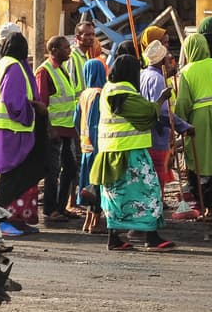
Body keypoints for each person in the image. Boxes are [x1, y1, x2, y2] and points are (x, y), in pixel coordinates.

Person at [91, 54, 174, 251]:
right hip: (131, 154)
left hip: (110, 153)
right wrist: (162, 98)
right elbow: (147, 113)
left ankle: (114, 238)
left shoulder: (108, 90)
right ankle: (151, 237)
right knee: (148, 193)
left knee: (116, 196)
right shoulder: (124, 92)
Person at [0, 31, 46, 237]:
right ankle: (4, 221)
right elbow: (13, 102)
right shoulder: (13, 67)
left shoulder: (2, 64)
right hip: (15, 130)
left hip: (6, 130)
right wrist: (34, 108)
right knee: (12, 175)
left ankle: (17, 219)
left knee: (17, 175)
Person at [175, 33, 212, 216]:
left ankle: (204, 204)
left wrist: (179, 123)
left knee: (198, 159)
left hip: (199, 119)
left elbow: (183, 101)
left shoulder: (187, 71)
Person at [140, 39, 191, 198]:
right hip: (157, 135)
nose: (172, 63)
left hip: (148, 136)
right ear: (162, 61)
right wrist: (183, 126)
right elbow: (162, 112)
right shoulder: (157, 79)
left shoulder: (143, 75)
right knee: (157, 177)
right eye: (169, 60)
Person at [36, 35, 79, 222]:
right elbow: (42, 103)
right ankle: (50, 208)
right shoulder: (44, 71)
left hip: (67, 127)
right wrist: (49, 128)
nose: (69, 50)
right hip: (54, 129)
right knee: (52, 170)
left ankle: (61, 206)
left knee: (70, 168)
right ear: (54, 50)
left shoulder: (61, 69)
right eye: (65, 47)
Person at [75, 58, 108, 233]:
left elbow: (75, 120)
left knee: (88, 185)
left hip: (85, 146)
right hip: (96, 147)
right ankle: (95, 222)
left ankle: (87, 222)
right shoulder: (98, 94)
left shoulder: (84, 94)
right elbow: (96, 123)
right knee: (97, 185)